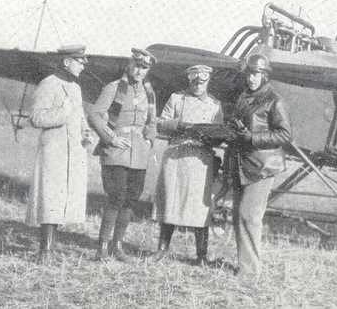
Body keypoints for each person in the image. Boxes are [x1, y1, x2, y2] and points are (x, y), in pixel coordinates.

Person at [26, 44, 95, 263]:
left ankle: (51, 248)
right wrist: (63, 114)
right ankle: (45, 250)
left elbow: (81, 116)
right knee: (50, 198)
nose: (83, 66)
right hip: (54, 150)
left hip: (74, 151)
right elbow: (36, 118)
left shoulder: (75, 88)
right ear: (66, 62)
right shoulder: (49, 84)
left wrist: (86, 131)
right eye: (80, 61)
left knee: (63, 198)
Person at [88, 48, 158, 262]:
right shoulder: (114, 88)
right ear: (129, 65)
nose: (139, 71)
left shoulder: (148, 92)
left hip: (139, 154)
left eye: (144, 68)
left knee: (130, 199)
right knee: (116, 197)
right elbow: (95, 115)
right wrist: (111, 138)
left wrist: (150, 136)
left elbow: (152, 120)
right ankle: (101, 248)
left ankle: (117, 247)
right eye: (136, 66)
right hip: (117, 151)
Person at [150, 65, 224, 265]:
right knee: (170, 203)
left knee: (199, 208)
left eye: (202, 82)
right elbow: (160, 123)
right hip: (177, 156)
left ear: (208, 81)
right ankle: (162, 249)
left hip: (200, 160)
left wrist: (209, 135)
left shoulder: (214, 105)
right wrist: (178, 124)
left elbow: (219, 133)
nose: (197, 86)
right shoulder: (176, 98)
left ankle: (201, 255)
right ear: (188, 81)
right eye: (193, 82)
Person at [229, 53, 293, 276]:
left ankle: (250, 271)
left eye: (256, 74)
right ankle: (244, 266)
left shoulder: (274, 100)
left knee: (249, 215)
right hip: (243, 163)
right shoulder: (244, 97)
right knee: (239, 216)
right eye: (249, 73)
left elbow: (285, 134)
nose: (251, 79)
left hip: (263, 167)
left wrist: (253, 137)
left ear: (265, 75)